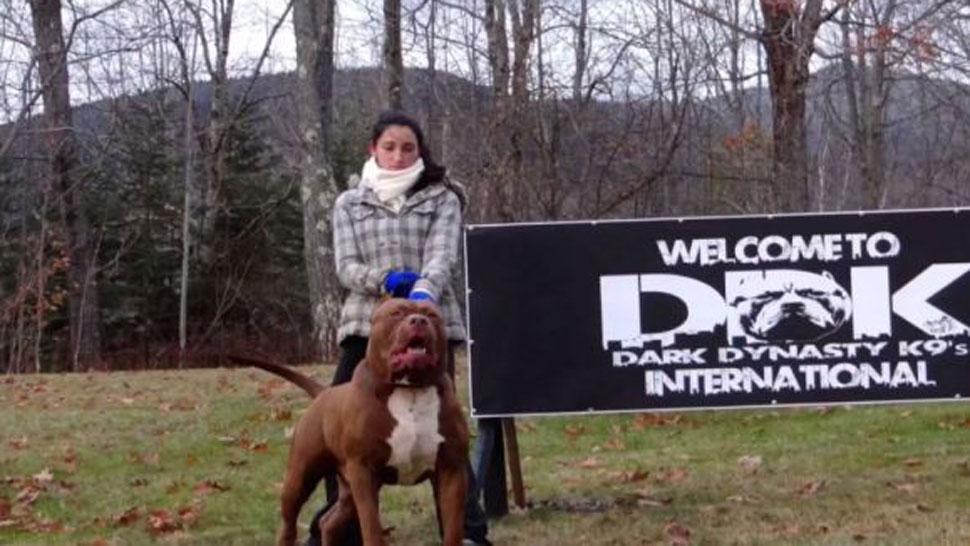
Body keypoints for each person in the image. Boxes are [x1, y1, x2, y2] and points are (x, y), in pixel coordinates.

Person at [306, 110, 491, 546]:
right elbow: (346, 266)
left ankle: (468, 533)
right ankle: (342, 531)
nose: (398, 155)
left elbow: (443, 255)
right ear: (373, 149)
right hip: (365, 328)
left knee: (445, 434)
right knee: (342, 433)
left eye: (408, 148)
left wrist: (422, 294)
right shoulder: (348, 203)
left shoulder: (443, 197)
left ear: (419, 151)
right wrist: (384, 281)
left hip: (428, 325)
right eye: (389, 147)